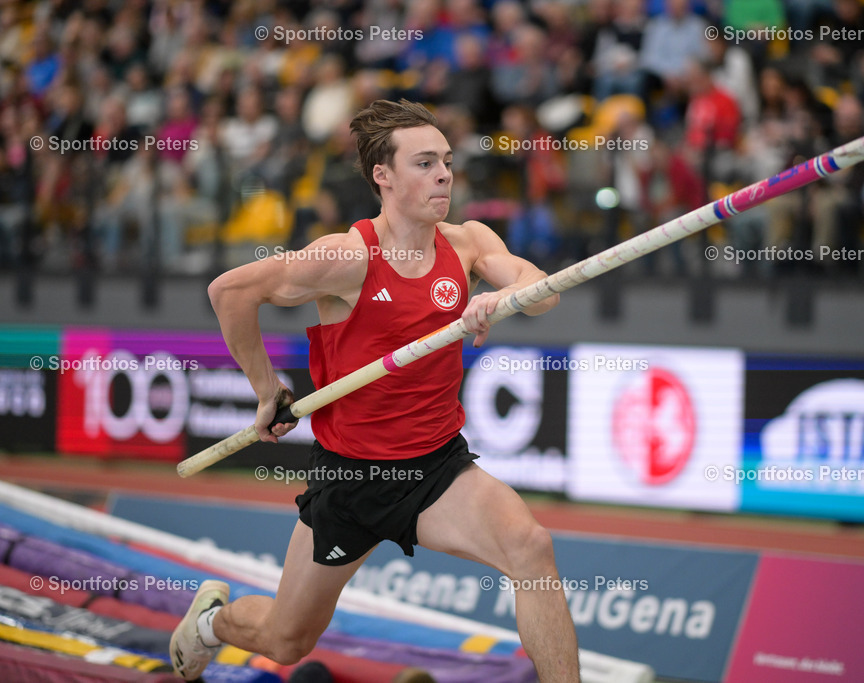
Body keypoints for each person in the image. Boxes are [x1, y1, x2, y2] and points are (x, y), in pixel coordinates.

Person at [169, 99, 578, 682]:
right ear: (382, 175)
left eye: (447, 161)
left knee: (531, 548)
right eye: (425, 163)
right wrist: (266, 389)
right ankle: (211, 623)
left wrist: (500, 297)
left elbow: (544, 292)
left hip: (436, 470)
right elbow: (230, 292)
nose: (444, 175)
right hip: (349, 480)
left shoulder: (468, 243)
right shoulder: (348, 257)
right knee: (286, 639)